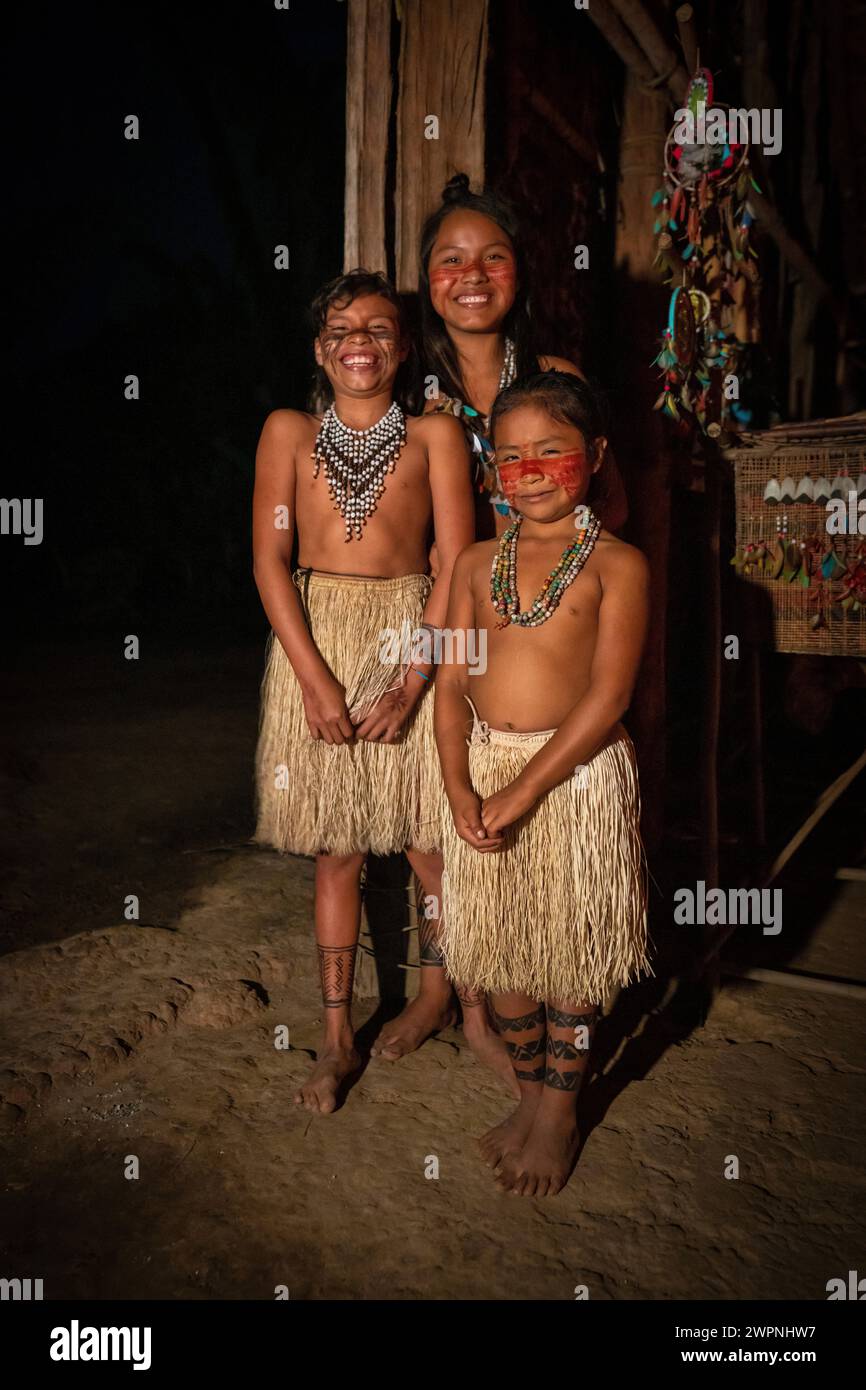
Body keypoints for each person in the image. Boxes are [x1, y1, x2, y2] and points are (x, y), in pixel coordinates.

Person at [373, 171, 629, 1063]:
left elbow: (614, 505)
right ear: (425, 278)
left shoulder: (554, 378)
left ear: (521, 271)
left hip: (536, 621)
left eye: (493, 256)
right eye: (450, 259)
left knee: (515, 820)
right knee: (427, 821)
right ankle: (450, 988)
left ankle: (504, 1002)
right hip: (436, 610)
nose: (471, 274)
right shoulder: (406, 395)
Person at [252, 269, 476, 1114]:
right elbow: (270, 560)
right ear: (320, 349)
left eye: (380, 329)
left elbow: (456, 562)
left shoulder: (435, 438)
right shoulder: (287, 431)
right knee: (337, 847)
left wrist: (417, 676)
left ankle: (436, 994)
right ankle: (337, 1036)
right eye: (342, 328)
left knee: (428, 839)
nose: (361, 341)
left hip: (411, 632)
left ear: (404, 346)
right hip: (316, 638)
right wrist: (312, 678)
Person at [435, 370, 652, 1196]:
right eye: (509, 455)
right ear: (490, 465)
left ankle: (561, 1113)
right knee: (504, 954)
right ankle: (530, 1095)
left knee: (570, 958)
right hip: (483, 769)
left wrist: (523, 791)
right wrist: (458, 784)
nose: (527, 471)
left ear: (594, 456)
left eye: (551, 453)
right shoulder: (474, 562)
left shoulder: (618, 564)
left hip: (573, 780)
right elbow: (454, 685)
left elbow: (610, 697)